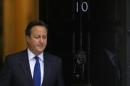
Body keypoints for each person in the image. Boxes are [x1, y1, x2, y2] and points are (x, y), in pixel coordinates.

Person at [0, 20, 65, 86]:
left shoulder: (56, 62)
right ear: (27, 38)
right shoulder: (12, 62)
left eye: (44, 37)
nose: (41, 41)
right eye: (37, 37)